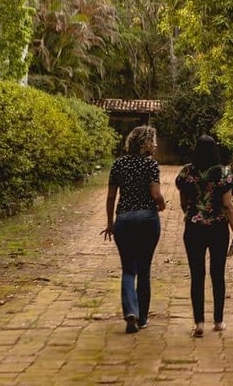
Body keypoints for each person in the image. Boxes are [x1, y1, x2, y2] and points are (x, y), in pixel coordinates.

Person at [101, 125, 166, 334]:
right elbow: (155, 193)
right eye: (153, 140)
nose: (155, 144)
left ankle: (130, 311)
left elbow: (111, 196)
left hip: (124, 220)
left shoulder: (118, 164)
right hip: (147, 219)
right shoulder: (150, 165)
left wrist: (110, 222)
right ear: (145, 143)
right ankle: (143, 318)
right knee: (144, 270)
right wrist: (162, 204)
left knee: (128, 269)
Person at [175, 135, 233, 337]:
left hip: (193, 227)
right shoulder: (223, 173)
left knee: (197, 274)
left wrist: (194, 212)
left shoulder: (187, 171)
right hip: (218, 227)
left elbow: (183, 202)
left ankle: (199, 323)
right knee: (217, 274)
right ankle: (218, 321)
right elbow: (228, 205)